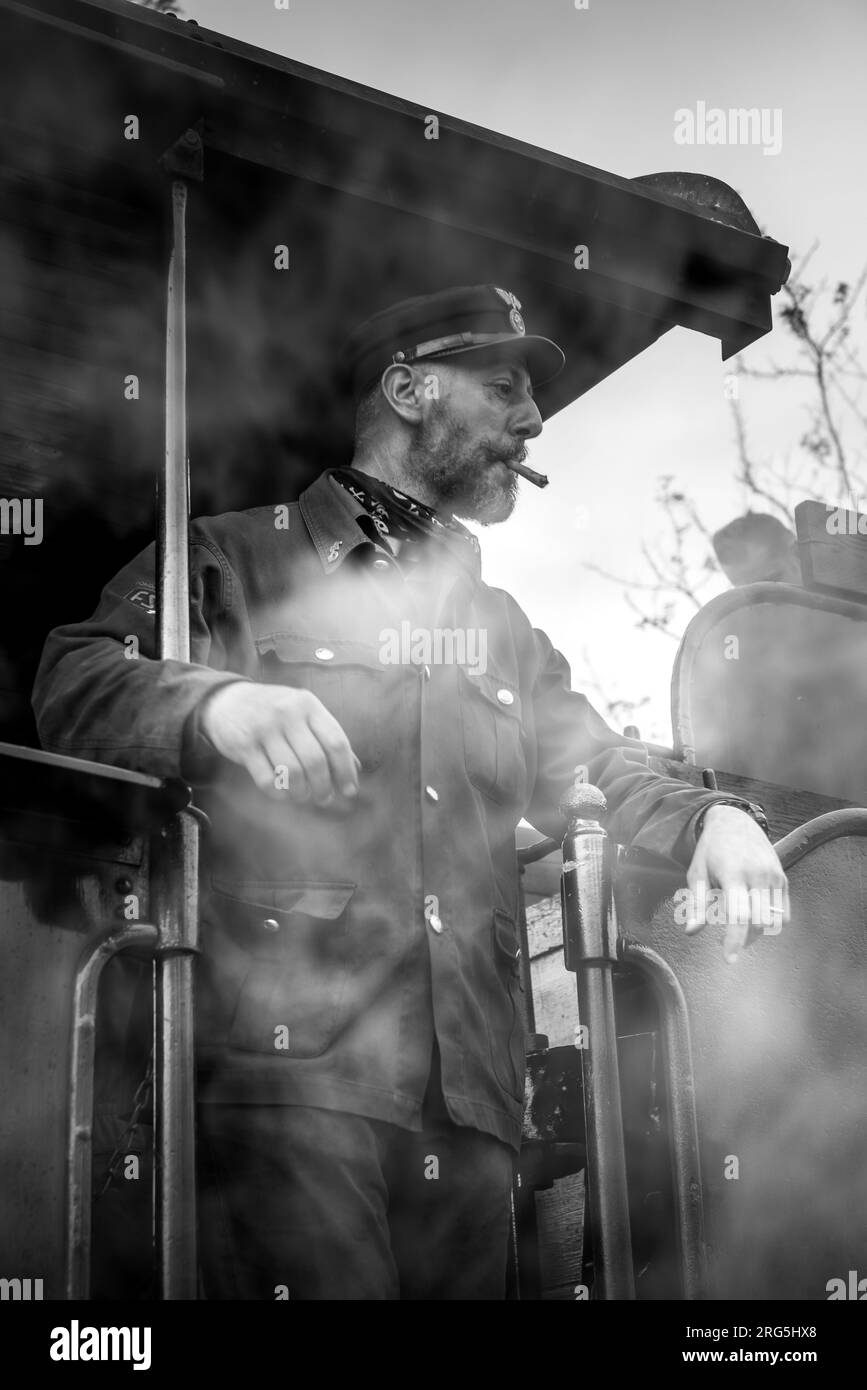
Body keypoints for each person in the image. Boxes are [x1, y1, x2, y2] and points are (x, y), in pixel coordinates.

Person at [32, 284, 788, 1300]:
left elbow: (598, 769)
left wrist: (716, 816)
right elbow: (74, 677)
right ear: (408, 389)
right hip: (287, 1090)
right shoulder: (236, 556)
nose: (530, 420)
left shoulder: (503, 627)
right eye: (506, 385)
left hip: (476, 1109)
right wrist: (212, 707)